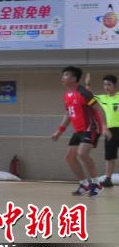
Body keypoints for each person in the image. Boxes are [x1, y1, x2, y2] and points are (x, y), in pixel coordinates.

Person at [51, 66, 107, 196]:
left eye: (65, 75)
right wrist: (59, 132)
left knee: (82, 154)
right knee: (70, 158)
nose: (62, 78)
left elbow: (99, 109)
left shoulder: (84, 93)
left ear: (74, 78)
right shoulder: (67, 95)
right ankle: (84, 184)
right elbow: (69, 114)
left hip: (91, 128)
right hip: (79, 131)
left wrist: (104, 126)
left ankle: (97, 184)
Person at [88, 74, 119, 187]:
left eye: (109, 84)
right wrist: (87, 84)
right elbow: (88, 97)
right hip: (110, 131)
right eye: (105, 84)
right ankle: (108, 179)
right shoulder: (102, 98)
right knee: (110, 156)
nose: (106, 87)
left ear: (114, 85)